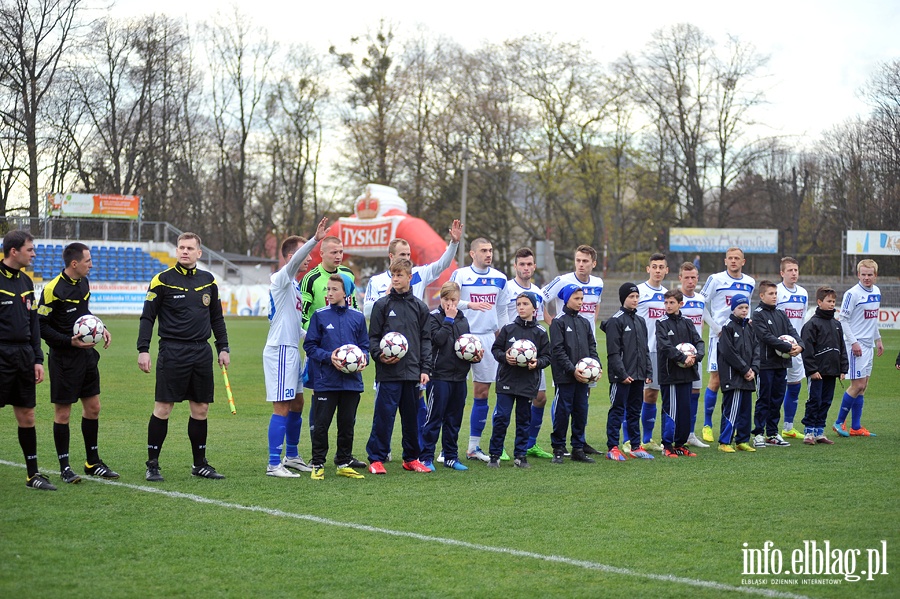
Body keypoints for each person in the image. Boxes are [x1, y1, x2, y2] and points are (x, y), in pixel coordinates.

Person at [363, 220, 463, 457]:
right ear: (391, 256)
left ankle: (414, 451)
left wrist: (454, 243)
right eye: (402, 254)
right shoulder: (377, 282)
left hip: (414, 349)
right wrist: (386, 294)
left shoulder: (417, 274)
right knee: (384, 407)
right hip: (389, 353)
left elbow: (441, 266)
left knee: (414, 405)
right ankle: (382, 452)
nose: (407, 258)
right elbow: (368, 311)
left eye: (409, 254)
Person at [138, 232, 230, 481]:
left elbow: (217, 318)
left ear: (199, 253)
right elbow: (148, 317)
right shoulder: (162, 280)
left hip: (201, 352)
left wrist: (223, 347)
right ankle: (152, 464)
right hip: (173, 351)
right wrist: (143, 349)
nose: (185, 251)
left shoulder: (208, 280)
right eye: (181, 247)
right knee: (163, 408)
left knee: (200, 409)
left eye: (190, 248)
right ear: (176, 251)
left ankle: (199, 464)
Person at [38, 242, 118, 484]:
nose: (91, 264)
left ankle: (92, 462)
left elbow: (84, 314)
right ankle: (65, 467)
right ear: (74, 263)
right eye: (88, 261)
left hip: (87, 357)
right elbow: (40, 326)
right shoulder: (52, 289)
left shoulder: (83, 282)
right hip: (64, 359)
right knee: (63, 414)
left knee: (93, 408)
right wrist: (68, 342)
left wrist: (100, 328)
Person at [263, 218, 328, 478]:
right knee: (282, 405)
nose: (310, 258)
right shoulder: (281, 278)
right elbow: (293, 263)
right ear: (292, 256)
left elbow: (295, 325)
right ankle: (273, 463)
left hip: (292, 349)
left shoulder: (295, 286)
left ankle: (291, 456)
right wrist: (316, 238)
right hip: (279, 350)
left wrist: (314, 337)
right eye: (306, 254)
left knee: (298, 402)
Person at [366, 258, 432, 474]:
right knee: (384, 417)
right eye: (393, 275)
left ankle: (411, 458)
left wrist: (424, 369)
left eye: (400, 275)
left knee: (412, 419)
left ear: (409, 277)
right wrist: (379, 355)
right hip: (388, 372)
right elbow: (373, 338)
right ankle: (376, 458)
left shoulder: (420, 307)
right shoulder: (382, 305)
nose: (395, 279)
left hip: (413, 372)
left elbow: (425, 340)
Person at [0, 230, 55, 490]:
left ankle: (32, 474)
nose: (33, 254)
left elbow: (33, 322)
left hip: (23, 356)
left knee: (27, 414)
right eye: (30, 249)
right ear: (14, 251)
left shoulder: (25, 282)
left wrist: (37, 358)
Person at [449, 238, 510, 462]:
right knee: (453, 393)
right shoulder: (461, 275)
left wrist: (504, 335)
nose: (488, 254)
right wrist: (470, 305)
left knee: (482, 392)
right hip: (462, 338)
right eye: (483, 250)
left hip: (487, 339)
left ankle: (473, 447)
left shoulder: (500, 278)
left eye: (490, 250)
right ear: (472, 254)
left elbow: (502, 310)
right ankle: (445, 448)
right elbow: (449, 300)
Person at [304, 273, 369, 480]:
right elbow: (310, 346)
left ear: (346, 292)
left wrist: (363, 359)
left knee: (347, 423)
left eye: (334, 289)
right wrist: (328, 357)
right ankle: (317, 463)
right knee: (322, 424)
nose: (329, 293)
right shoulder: (320, 316)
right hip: (326, 381)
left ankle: (343, 461)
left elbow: (365, 347)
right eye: (328, 289)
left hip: (351, 383)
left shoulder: (357, 317)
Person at [541, 244, 604, 455]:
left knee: (582, 399)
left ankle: (580, 441)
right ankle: (558, 444)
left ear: (593, 263)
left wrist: (591, 324)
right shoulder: (563, 281)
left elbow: (595, 306)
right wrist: (551, 321)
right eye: (578, 260)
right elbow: (540, 298)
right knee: (563, 399)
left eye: (585, 261)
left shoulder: (598, 283)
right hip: (565, 347)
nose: (581, 264)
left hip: (586, 347)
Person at [299, 235, 359, 454]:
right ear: (321, 253)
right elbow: (302, 315)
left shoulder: (348, 275)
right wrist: (319, 339)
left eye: (341, 252)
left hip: (347, 352)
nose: (338, 256)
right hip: (320, 350)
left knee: (348, 398)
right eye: (333, 252)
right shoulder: (311, 278)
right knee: (319, 397)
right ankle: (317, 452)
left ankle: (345, 455)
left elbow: (355, 309)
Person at [487, 292, 551, 468]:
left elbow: (547, 356)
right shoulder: (508, 329)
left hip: (528, 382)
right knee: (501, 417)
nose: (521, 307)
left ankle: (520, 456)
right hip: (507, 379)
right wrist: (505, 357)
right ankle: (495, 455)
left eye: (525, 304)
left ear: (534, 308)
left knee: (524, 419)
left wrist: (537, 363)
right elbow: (496, 349)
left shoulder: (540, 332)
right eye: (518, 304)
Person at [699, 247, 756, 443]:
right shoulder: (715, 279)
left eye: (737, 258)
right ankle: (707, 424)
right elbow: (701, 303)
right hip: (720, 337)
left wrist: (747, 323)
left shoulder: (750, 282)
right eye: (730, 258)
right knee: (716, 379)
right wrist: (715, 328)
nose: (733, 261)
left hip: (741, 338)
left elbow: (747, 307)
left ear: (743, 261)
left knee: (741, 378)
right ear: (725, 261)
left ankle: (738, 429)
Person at [420, 281, 476, 471]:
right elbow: (437, 340)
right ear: (441, 299)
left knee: (454, 419)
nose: (450, 304)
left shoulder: (463, 319)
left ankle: (451, 456)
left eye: (453, 300)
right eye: (446, 300)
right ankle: (426, 456)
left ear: (458, 300)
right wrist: (449, 319)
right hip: (439, 376)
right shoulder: (434, 317)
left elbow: (466, 347)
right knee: (434, 417)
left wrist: (475, 355)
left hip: (459, 377)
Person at [506, 247, 552, 460]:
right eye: (521, 264)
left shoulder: (538, 292)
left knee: (540, 398)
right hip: (511, 354)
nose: (525, 268)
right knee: (507, 400)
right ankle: (502, 446)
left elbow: (543, 319)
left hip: (532, 355)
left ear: (534, 266)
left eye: (529, 264)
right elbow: (498, 315)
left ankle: (530, 444)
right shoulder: (506, 289)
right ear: (515, 266)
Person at [549, 284, 601, 464]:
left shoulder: (584, 322)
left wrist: (597, 367)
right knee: (563, 412)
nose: (580, 302)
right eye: (576, 298)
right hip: (566, 376)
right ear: (567, 299)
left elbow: (592, 347)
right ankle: (558, 448)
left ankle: (578, 448)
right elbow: (557, 350)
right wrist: (573, 370)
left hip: (584, 377)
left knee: (581, 411)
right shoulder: (558, 322)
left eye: (581, 299)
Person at [602, 283, 654, 461]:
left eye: (637, 297)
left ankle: (635, 446)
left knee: (634, 411)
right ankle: (613, 447)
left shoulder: (640, 321)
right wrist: (622, 374)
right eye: (631, 297)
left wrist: (648, 371)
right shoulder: (615, 320)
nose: (635, 300)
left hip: (638, 375)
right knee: (617, 410)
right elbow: (613, 353)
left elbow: (644, 349)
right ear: (623, 298)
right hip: (621, 377)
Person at [750, 280, 804, 448]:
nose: (774, 297)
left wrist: (800, 346)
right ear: (762, 295)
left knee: (777, 399)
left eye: (775, 294)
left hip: (782, 363)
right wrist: (789, 347)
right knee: (763, 399)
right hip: (765, 364)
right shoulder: (758, 314)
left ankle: (772, 433)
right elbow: (766, 337)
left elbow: (792, 331)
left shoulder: (781, 313)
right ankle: (758, 433)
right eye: (771, 294)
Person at [833, 259, 883, 437]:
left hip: (869, 344)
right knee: (857, 384)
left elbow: (872, 319)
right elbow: (843, 320)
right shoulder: (852, 294)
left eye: (870, 274)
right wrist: (853, 342)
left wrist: (878, 339)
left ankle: (856, 427)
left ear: (875, 275)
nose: (866, 278)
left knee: (864, 386)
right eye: (863, 274)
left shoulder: (876, 292)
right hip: (856, 345)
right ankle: (839, 422)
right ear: (858, 274)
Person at [656, 290, 705, 457]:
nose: (668, 306)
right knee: (671, 409)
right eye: (666, 303)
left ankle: (680, 444)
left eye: (672, 303)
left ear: (680, 304)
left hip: (687, 373)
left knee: (685, 409)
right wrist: (683, 357)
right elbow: (665, 346)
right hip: (670, 374)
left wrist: (696, 357)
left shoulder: (687, 322)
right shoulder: (661, 323)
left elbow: (699, 342)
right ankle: (667, 446)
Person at [800, 287, 848, 445]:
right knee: (815, 400)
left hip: (832, 371)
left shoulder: (836, 324)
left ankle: (820, 431)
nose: (832, 304)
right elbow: (807, 349)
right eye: (828, 301)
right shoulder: (812, 324)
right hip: (817, 372)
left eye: (834, 301)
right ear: (819, 302)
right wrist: (812, 370)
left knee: (826, 401)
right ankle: (809, 432)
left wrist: (843, 369)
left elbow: (841, 347)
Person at [716, 294, 760, 453]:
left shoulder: (749, 327)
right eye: (740, 307)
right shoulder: (727, 327)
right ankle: (724, 441)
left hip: (748, 376)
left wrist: (753, 369)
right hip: (733, 376)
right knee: (731, 409)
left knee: (745, 410)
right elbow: (728, 352)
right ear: (733, 308)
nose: (743, 310)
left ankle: (742, 440)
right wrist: (744, 369)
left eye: (746, 307)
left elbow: (756, 349)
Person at [635, 252, 669, 451]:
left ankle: (647, 439)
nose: (657, 270)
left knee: (652, 394)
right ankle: (631, 438)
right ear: (648, 269)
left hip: (659, 352)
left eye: (661, 267)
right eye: (654, 266)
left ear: (666, 270)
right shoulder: (638, 291)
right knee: (634, 395)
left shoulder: (667, 295)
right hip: (640, 350)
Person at [776, 257, 809, 439]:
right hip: (779, 349)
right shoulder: (777, 292)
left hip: (796, 348)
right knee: (777, 388)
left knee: (795, 386)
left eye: (796, 270)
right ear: (782, 273)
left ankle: (788, 426)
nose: (794, 273)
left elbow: (801, 321)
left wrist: (800, 344)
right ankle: (770, 427)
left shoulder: (803, 293)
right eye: (790, 270)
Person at [677, 262, 708, 447]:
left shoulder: (700, 299)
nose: (690, 281)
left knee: (695, 391)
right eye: (686, 277)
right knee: (676, 394)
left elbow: (701, 323)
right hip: (679, 356)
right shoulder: (675, 299)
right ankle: (674, 433)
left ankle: (690, 434)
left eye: (693, 277)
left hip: (695, 355)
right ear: (680, 278)